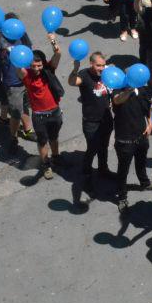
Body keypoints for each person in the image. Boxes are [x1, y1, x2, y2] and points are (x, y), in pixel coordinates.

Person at [68, 52, 114, 200]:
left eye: (103, 65)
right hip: (91, 122)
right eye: (98, 65)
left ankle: (103, 169)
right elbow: (72, 82)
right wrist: (75, 69)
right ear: (91, 64)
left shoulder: (107, 74)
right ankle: (87, 174)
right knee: (92, 148)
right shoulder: (84, 74)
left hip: (106, 118)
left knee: (104, 146)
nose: (101, 68)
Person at [16, 38, 64, 180]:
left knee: (54, 138)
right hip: (39, 116)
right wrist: (15, 54)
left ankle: (56, 157)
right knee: (42, 142)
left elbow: (58, 54)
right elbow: (18, 68)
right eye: (33, 66)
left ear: (43, 63)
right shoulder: (26, 75)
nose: (36, 69)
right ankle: (46, 165)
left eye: (39, 65)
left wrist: (53, 41)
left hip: (55, 113)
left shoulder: (49, 70)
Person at [0, 13, 35, 151]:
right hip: (13, 83)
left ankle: (27, 130)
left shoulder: (22, 35)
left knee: (25, 106)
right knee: (15, 113)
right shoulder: (1, 40)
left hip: (26, 78)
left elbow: (29, 51)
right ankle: (13, 138)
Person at [111, 81, 152, 215]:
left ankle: (145, 183)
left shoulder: (143, 90)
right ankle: (122, 197)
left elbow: (148, 107)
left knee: (141, 162)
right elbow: (117, 100)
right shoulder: (118, 90)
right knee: (123, 170)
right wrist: (129, 90)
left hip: (141, 136)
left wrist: (150, 123)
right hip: (125, 140)